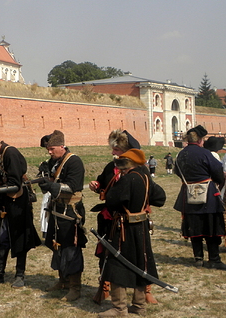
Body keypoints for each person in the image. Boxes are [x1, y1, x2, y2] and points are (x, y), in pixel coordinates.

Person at [88, 129, 158, 305]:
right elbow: (102, 183)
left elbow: (156, 195)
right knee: (107, 256)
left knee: (140, 256)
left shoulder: (140, 171)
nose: (113, 153)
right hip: (110, 218)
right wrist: (97, 187)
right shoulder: (109, 168)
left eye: (117, 150)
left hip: (132, 220)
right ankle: (104, 288)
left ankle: (145, 291)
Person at [98, 149, 166, 317]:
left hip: (124, 228)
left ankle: (120, 308)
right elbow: (160, 198)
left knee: (117, 265)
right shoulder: (145, 178)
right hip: (141, 226)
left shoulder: (128, 179)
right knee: (140, 264)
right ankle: (139, 306)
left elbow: (112, 201)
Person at [0, 133, 41, 288]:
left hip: (18, 203)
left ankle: (20, 275)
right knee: (1, 238)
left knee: (20, 239)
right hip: (5, 202)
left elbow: (15, 184)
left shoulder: (10, 153)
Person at [38, 130, 86, 302]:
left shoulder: (74, 161)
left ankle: (75, 288)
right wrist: (43, 178)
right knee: (54, 244)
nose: (49, 152)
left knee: (71, 249)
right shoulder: (54, 162)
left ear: (61, 146)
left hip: (71, 211)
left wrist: (50, 185)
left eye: (51, 149)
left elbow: (72, 186)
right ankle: (62, 281)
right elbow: (50, 183)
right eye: (48, 149)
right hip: (56, 210)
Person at [173, 125, 226, 269]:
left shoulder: (180, 154)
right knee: (211, 228)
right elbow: (217, 171)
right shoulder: (205, 153)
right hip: (208, 195)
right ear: (200, 140)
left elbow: (177, 171)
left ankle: (198, 258)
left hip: (188, 193)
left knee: (194, 227)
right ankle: (214, 259)